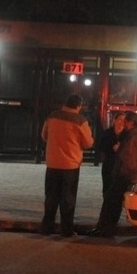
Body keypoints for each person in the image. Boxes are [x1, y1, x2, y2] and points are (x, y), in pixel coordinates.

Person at [39, 93, 94, 237]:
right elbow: (88, 143)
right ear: (78, 105)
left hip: (52, 163)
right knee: (68, 199)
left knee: (51, 197)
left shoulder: (52, 116)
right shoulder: (80, 120)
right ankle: (66, 229)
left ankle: (47, 227)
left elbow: (44, 135)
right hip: (70, 165)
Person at [87, 111, 137, 237]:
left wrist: (120, 163)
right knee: (112, 201)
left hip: (125, 174)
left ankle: (105, 228)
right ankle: (106, 228)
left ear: (131, 122)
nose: (123, 123)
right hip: (126, 173)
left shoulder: (135, 136)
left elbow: (129, 157)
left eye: (126, 121)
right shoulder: (133, 135)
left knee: (111, 201)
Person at [95, 111, 126, 194]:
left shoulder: (126, 135)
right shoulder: (107, 133)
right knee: (107, 188)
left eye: (124, 120)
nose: (121, 122)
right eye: (120, 119)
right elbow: (101, 146)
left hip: (121, 167)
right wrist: (112, 148)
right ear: (115, 120)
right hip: (109, 165)